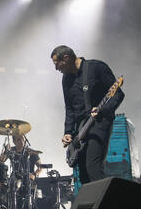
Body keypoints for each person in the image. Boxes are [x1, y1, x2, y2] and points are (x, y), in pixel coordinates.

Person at [51, 45, 124, 184]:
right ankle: (91, 205)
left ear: (66, 58)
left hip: (99, 123)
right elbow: (70, 109)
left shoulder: (96, 68)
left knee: (93, 166)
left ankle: (106, 204)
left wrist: (102, 110)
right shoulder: (66, 79)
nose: (56, 68)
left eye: (57, 64)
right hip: (81, 129)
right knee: (83, 173)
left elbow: (118, 94)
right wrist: (68, 132)